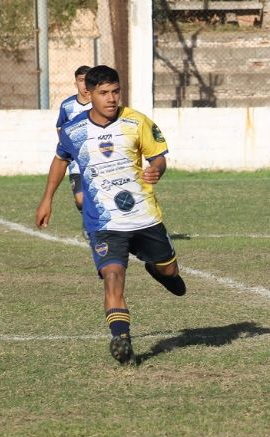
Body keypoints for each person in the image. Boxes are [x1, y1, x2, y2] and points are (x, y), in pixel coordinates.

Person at [36, 65, 187, 365]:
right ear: (88, 94)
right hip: (104, 223)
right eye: (103, 93)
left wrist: (156, 169)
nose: (111, 98)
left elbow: (158, 156)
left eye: (115, 91)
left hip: (144, 216)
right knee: (112, 276)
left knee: (171, 273)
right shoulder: (73, 131)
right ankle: (122, 339)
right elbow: (60, 160)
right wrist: (47, 199)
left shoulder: (136, 121)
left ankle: (158, 270)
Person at [55, 65, 92, 236]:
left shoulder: (100, 102)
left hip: (98, 159)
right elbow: (60, 128)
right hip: (77, 161)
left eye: (88, 80)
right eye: (81, 80)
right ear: (76, 82)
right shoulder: (67, 105)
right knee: (80, 199)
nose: (85, 85)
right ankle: (87, 218)